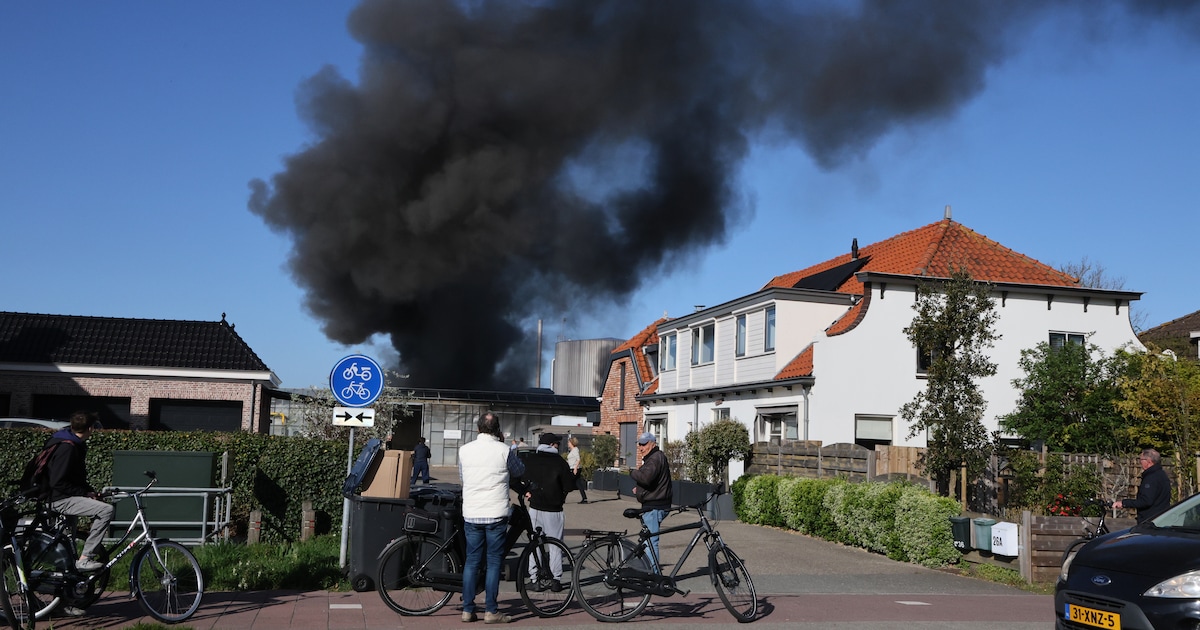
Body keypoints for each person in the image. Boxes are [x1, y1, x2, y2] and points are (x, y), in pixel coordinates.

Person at [459, 411, 525, 624]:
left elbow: (462, 477)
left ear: (478, 428)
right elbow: (519, 471)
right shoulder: (504, 450)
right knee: (494, 562)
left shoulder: (464, 450)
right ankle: (491, 611)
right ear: (497, 430)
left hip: (472, 512)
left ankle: (467, 610)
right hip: (496, 513)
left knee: (472, 561)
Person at [520, 433, 575, 591]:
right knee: (555, 545)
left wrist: (527, 492)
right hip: (554, 509)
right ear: (552, 445)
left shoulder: (531, 460)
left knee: (535, 544)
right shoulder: (560, 462)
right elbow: (569, 485)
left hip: (535, 508)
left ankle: (534, 578)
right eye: (557, 443)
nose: (558, 446)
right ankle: (555, 580)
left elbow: (522, 479)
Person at [628, 431, 672, 562]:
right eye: (639, 445)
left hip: (654, 507)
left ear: (652, 444)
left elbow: (646, 478)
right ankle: (648, 569)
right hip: (656, 504)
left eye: (644, 444)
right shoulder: (655, 457)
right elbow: (655, 481)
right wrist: (640, 489)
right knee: (647, 540)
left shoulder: (654, 459)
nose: (641, 448)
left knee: (651, 542)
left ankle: (654, 573)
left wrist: (632, 472)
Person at [1114, 448, 1172, 523]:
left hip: (1150, 521)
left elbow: (1146, 501)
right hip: (1161, 518)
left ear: (1149, 461)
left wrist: (1124, 503)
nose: (1140, 462)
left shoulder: (1151, 478)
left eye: (1141, 460)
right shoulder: (1162, 475)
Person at [567, 436, 588, 504]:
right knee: (578, 484)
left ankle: (562, 498)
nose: (568, 443)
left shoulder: (575, 450)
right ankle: (584, 498)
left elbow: (578, 459)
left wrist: (575, 469)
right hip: (572, 468)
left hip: (574, 469)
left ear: (572, 443)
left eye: (569, 442)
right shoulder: (572, 450)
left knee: (567, 482)